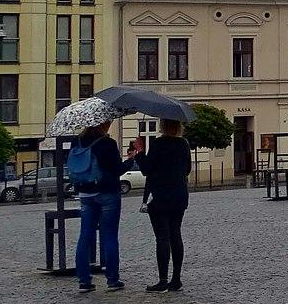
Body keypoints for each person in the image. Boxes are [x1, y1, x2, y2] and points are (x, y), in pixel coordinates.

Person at [125, 118, 193, 292]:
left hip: (160, 196)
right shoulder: (184, 144)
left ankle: (163, 280)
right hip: (179, 195)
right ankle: (176, 279)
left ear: (162, 126)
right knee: (176, 235)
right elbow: (187, 170)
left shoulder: (158, 144)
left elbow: (147, 169)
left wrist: (140, 152)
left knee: (162, 238)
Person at [67, 121, 128, 293]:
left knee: (85, 236)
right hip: (107, 193)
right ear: (102, 124)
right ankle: (112, 279)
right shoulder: (108, 144)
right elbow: (118, 170)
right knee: (109, 236)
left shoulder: (77, 141)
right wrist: (130, 160)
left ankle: (84, 281)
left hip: (85, 193)